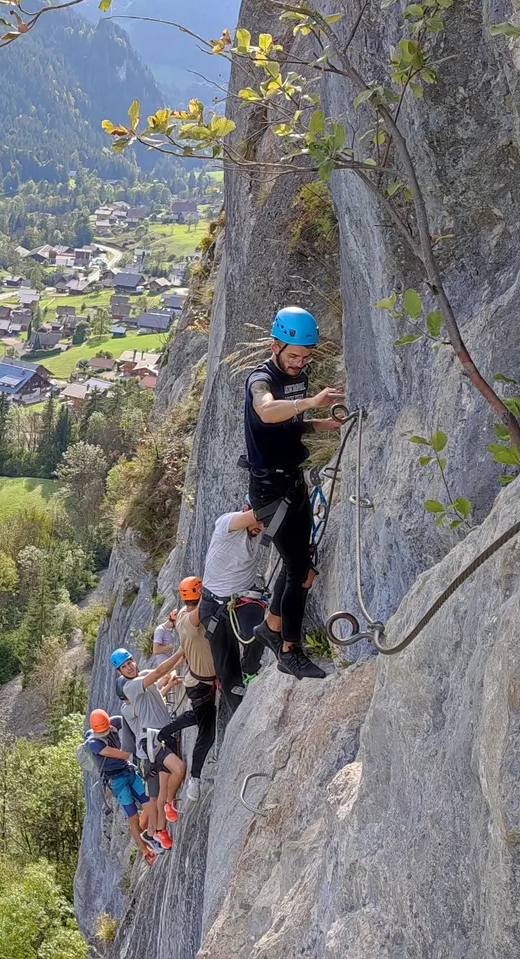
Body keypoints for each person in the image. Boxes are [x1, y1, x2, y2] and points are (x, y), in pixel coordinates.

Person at [243, 305, 342, 679]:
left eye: (305, 356)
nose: (299, 363)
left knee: (297, 560)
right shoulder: (261, 380)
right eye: (293, 355)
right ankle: (289, 650)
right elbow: (267, 412)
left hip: (292, 480)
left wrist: (319, 424)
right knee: (301, 569)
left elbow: (288, 426)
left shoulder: (296, 376)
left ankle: (270, 627)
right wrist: (309, 403)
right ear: (275, 346)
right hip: (271, 489)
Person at [195, 506, 275, 720]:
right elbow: (257, 515)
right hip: (214, 606)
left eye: (266, 524)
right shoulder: (227, 524)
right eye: (260, 522)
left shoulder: (260, 530)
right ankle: (240, 715)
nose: (261, 527)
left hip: (243, 599)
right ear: (247, 510)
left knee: (256, 633)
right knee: (226, 667)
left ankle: (250, 668)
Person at [111, 647, 188, 832]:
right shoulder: (130, 688)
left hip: (163, 734)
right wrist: (181, 650)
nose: (129, 667)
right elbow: (160, 671)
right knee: (178, 770)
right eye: (124, 667)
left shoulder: (142, 678)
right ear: (119, 672)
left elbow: (162, 676)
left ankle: (160, 831)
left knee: (161, 788)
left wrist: (181, 659)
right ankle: (168, 805)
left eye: (130, 663)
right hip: (152, 740)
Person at [155, 577, 221, 783]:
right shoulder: (190, 620)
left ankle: (165, 731)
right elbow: (200, 613)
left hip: (198, 683)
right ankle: (195, 777)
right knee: (207, 732)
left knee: (197, 715)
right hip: (201, 685)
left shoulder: (183, 613)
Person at [85, 710, 164, 863]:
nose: (106, 733)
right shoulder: (93, 743)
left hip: (128, 771)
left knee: (149, 804)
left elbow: (130, 718)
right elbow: (122, 754)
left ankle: (151, 834)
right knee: (133, 818)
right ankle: (146, 851)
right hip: (116, 781)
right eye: (103, 731)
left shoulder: (113, 722)